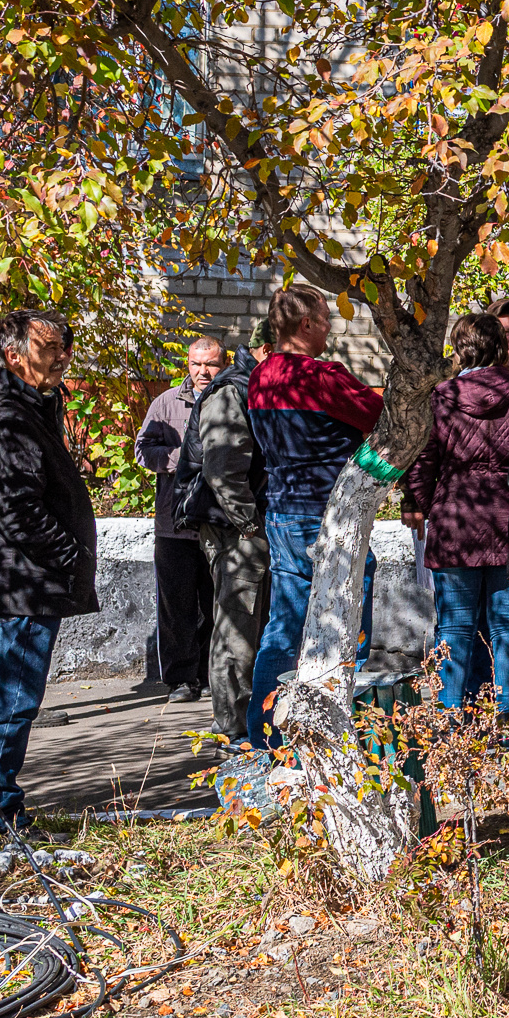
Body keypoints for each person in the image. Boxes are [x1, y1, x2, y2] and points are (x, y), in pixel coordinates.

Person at [0, 310, 97, 836]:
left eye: (65, 345)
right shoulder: (5, 413)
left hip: (29, 579)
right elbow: (17, 509)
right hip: (27, 581)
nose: (63, 355)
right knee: (12, 700)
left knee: (5, 696)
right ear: (15, 356)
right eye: (52, 347)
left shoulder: (28, 405)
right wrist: (69, 556)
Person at [246, 285, 384, 749]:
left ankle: (267, 738)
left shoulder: (260, 374)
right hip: (328, 513)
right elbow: (378, 415)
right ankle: (338, 733)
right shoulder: (320, 376)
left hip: (282, 509)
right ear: (305, 325)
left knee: (284, 624)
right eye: (326, 319)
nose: (330, 327)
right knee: (345, 622)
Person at [403, 313, 509, 713]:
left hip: (455, 522)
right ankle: (507, 731)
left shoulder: (442, 397)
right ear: (497, 348)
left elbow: (423, 461)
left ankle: (449, 726)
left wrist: (428, 504)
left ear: (460, 349)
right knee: (508, 629)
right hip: (508, 524)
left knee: (454, 630)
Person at [176, 319, 271, 748]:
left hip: (239, 524)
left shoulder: (250, 384)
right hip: (233, 526)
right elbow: (222, 470)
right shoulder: (234, 390)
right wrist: (249, 523)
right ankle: (234, 727)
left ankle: (240, 719)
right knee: (237, 623)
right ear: (268, 348)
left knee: (246, 621)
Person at [136, 337, 224, 702]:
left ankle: (210, 675)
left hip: (218, 522)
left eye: (211, 364)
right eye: (196, 364)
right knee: (177, 605)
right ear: (187, 364)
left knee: (216, 604)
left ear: (223, 362)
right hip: (174, 525)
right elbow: (143, 450)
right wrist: (184, 460)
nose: (203, 372)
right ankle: (181, 680)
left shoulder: (233, 399)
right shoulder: (166, 403)